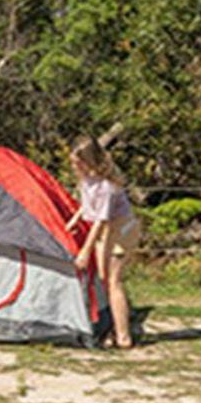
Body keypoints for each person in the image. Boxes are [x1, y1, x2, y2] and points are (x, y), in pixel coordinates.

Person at [64, 134, 141, 349]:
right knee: (102, 277)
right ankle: (110, 328)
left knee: (113, 281)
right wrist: (74, 220)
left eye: (77, 163)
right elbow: (88, 205)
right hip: (108, 228)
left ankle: (123, 336)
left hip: (122, 229)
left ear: (87, 161)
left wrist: (85, 252)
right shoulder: (86, 180)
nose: (74, 166)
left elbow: (99, 220)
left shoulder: (106, 186)